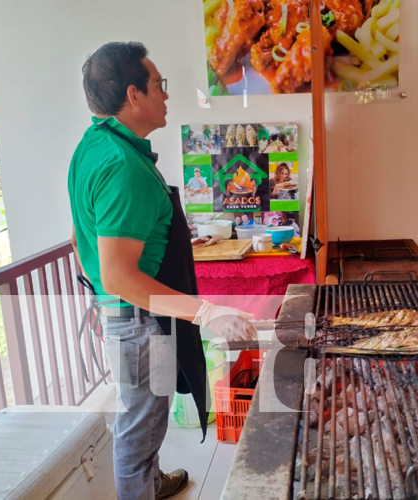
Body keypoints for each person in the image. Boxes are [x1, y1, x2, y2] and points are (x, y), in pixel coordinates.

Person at [68, 42, 256, 500]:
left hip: (127, 314)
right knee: (139, 426)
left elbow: (83, 237)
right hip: (137, 320)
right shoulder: (121, 166)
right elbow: (118, 277)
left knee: (152, 417)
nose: (166, 96)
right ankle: (139, 488)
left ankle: (152, 483)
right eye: (159, 85)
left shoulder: (96, 145)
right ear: (134, 95)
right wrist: (207, 313)